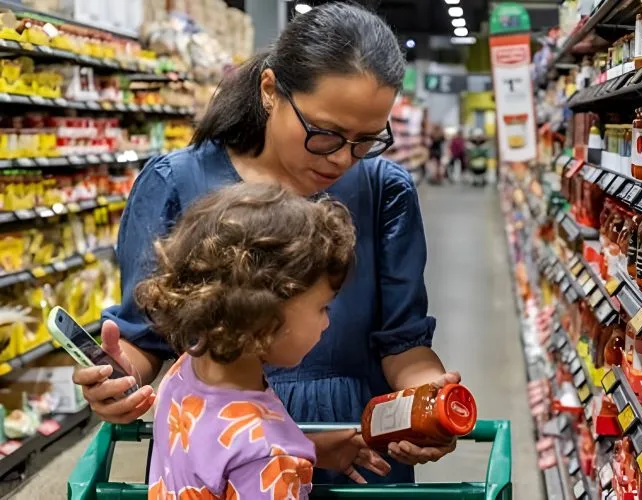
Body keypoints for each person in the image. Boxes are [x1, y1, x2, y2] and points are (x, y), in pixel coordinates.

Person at [70, 3, 458, 485]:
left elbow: (404, 343)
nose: (341, 159)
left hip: (356, 452)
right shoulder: (178, 182)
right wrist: (119, 379)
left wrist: (428, 402)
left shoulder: (383, 190)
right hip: (221, 450)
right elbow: (147, 336)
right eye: (325, 134)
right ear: (270, 90)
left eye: (365, 140)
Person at [139, 183, 390, 498]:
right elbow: (252, 459)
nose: (327, 321)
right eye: (321, 307)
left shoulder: (185, 372)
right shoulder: (267, 458)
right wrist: (282, 456)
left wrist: (307, 448)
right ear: (262, 315)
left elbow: (219, 458)